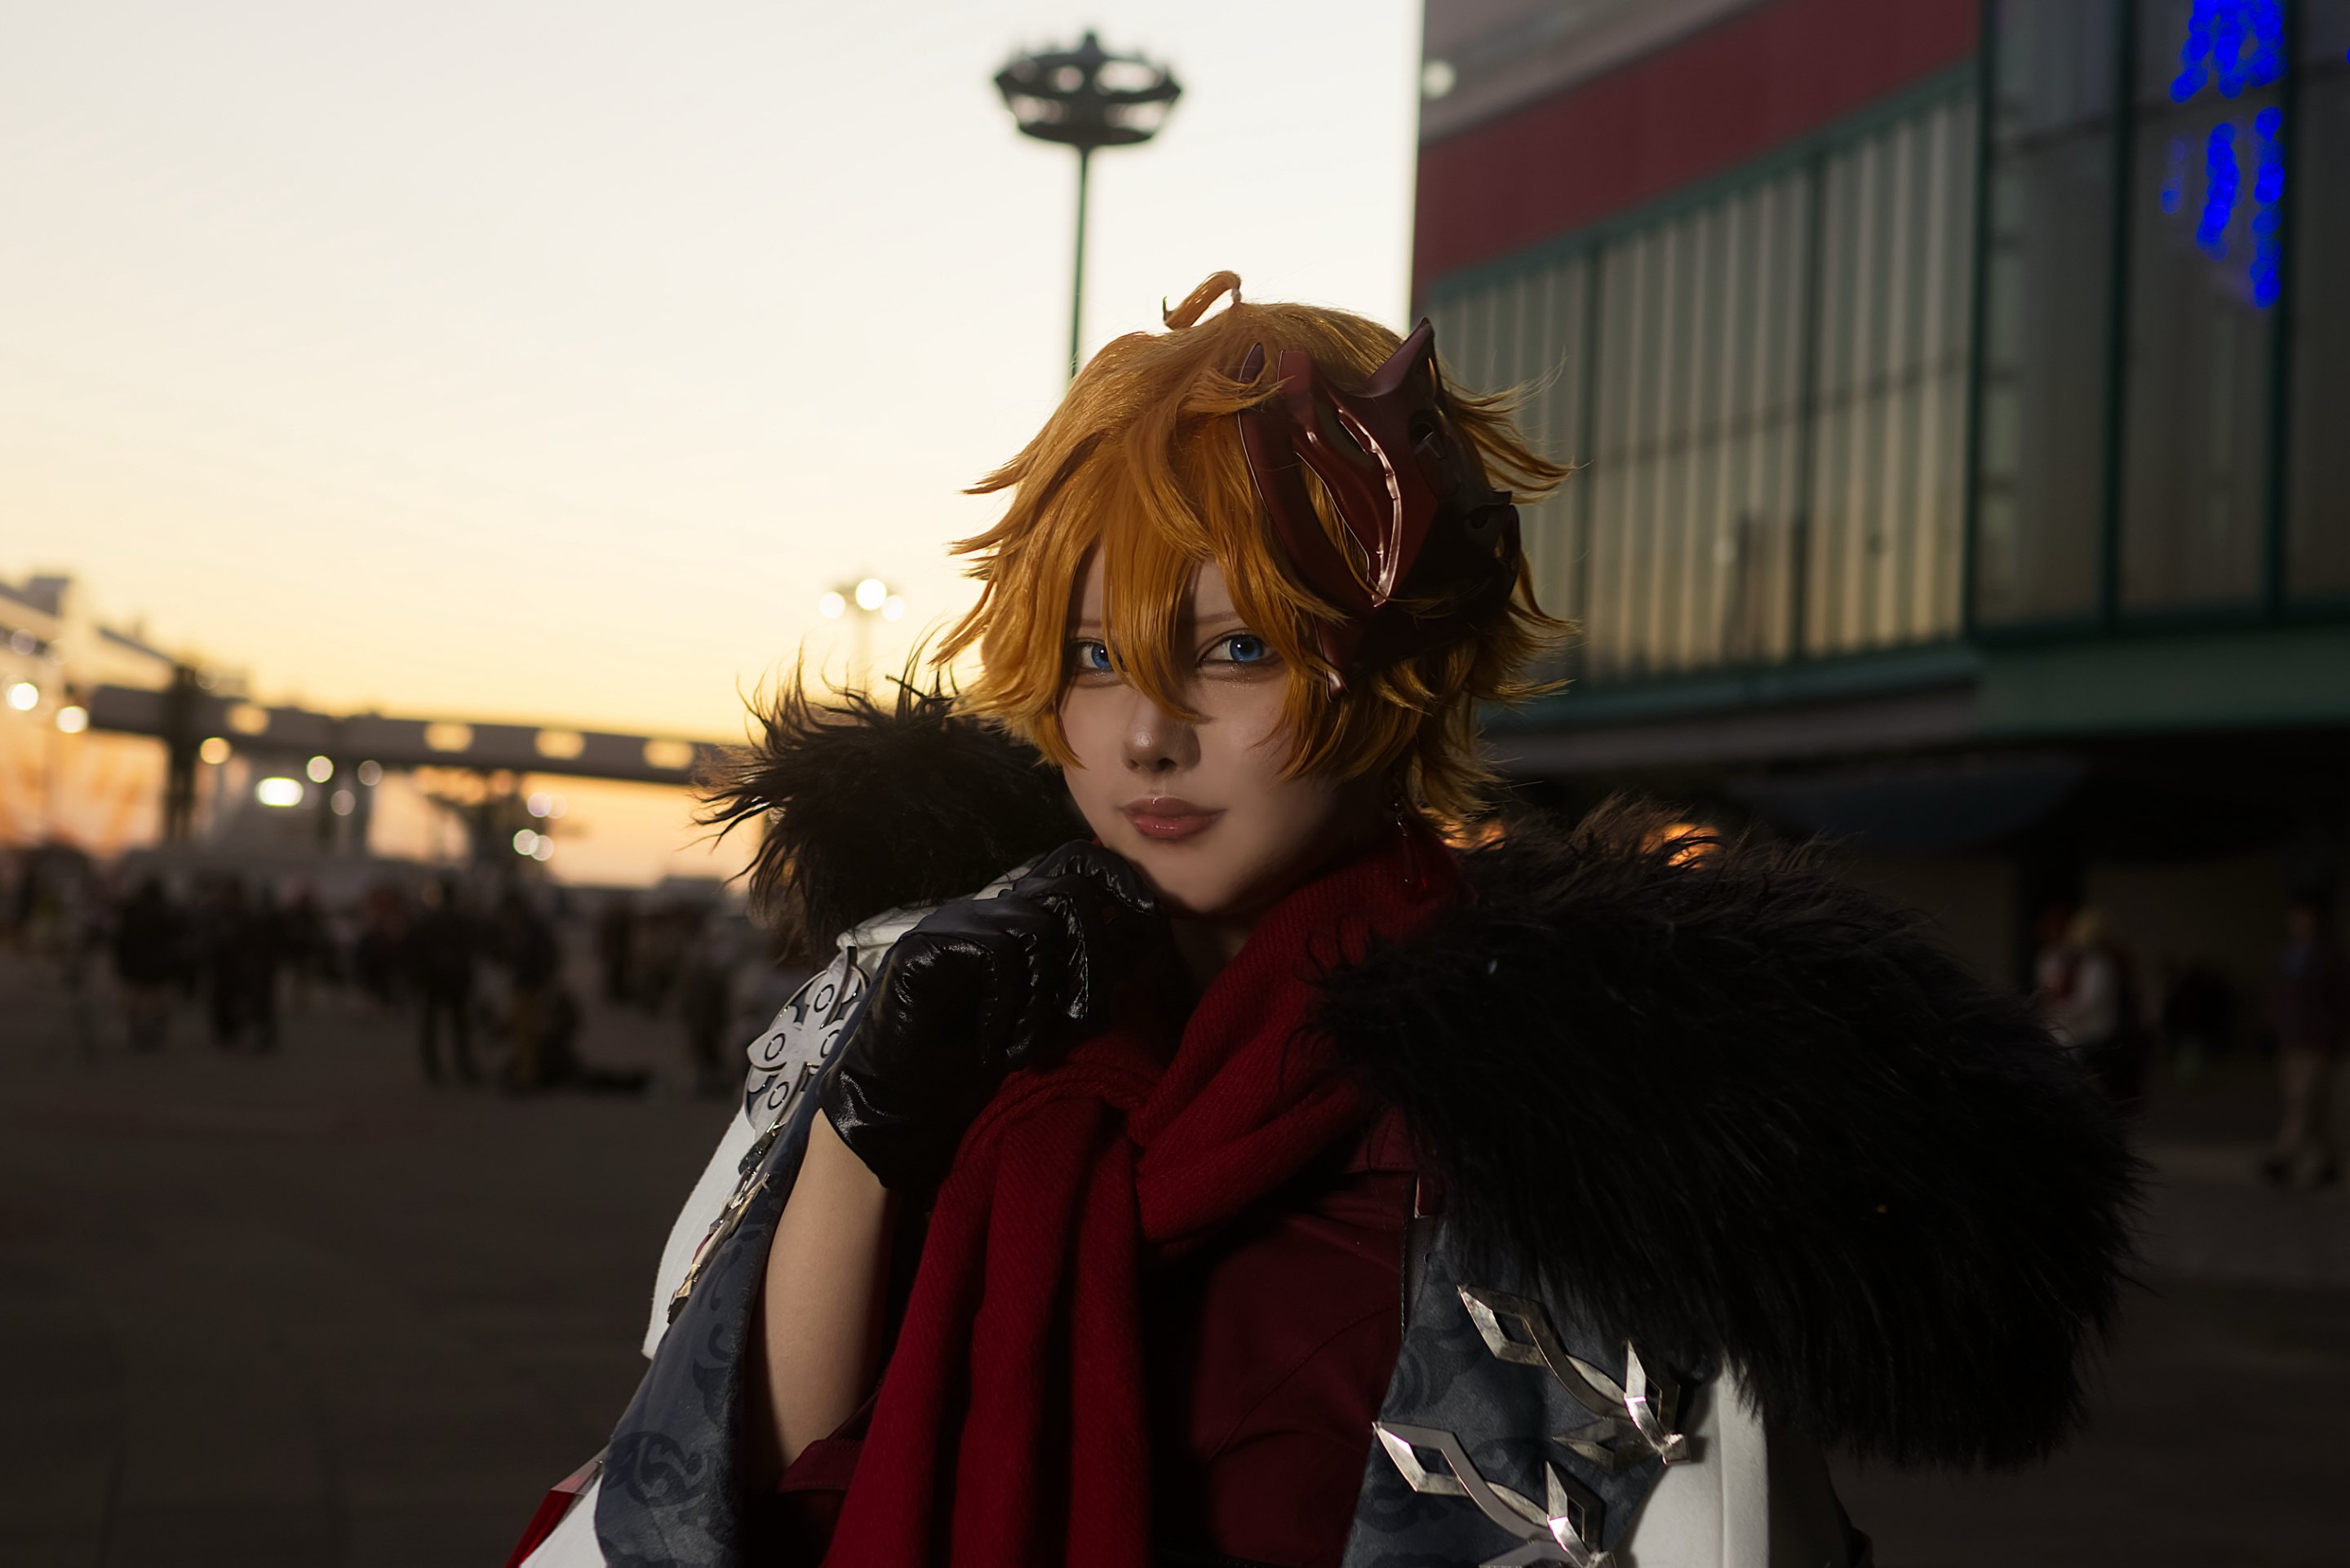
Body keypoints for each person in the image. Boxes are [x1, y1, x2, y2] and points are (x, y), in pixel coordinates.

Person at [512, 275, 2134, 1568]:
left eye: (1235, 652)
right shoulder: (953, 995)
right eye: (1093, 657)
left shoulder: (1597, 1092)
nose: (1145, 734)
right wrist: (870, 1132)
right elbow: (738, 1491)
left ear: (1405, 659)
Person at [2260, 894, 2348, 1189]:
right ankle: (2330, 1159)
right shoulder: (2289, 955)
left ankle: (2284, 1157)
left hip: (2317, 1040)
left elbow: (2340, 1001)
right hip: (2292, 1039)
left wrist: (2336, 1038)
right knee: (2314, 1106)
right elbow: (2278, 995)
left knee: (2302, 1101)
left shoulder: (2329, 957)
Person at [410, 876, 482, 1084]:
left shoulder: (431, 920)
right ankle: (461, 1065)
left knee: (434, 1027)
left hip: (437, 982)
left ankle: (434, 1068)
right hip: (453, 982)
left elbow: (417, 951)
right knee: (458, 1027)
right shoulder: (463, 920)